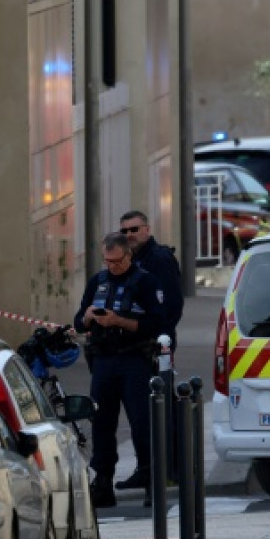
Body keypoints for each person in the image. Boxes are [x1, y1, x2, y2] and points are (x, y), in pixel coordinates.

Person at [75, 232, 167, 508]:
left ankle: (151, 480)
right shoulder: (97, 282)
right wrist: (88, 318)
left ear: (129, 256)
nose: (112, 266)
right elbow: (79, 322)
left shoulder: (146, 282)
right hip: (103, 360)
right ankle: (102, 482)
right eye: (107, 261)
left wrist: (120, 321)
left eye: (116, 261)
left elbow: (156, 323)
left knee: (142, 422)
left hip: (134, 359)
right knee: (101, 423)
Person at [119, 210, 183, 351]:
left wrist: (160, 335)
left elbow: (173, 304)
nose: (129, 235)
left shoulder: (160, 259)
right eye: (124, 231)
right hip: (133, 341)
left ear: (147, 229)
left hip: (155, 341)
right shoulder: (129, 259)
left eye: (134, 229)